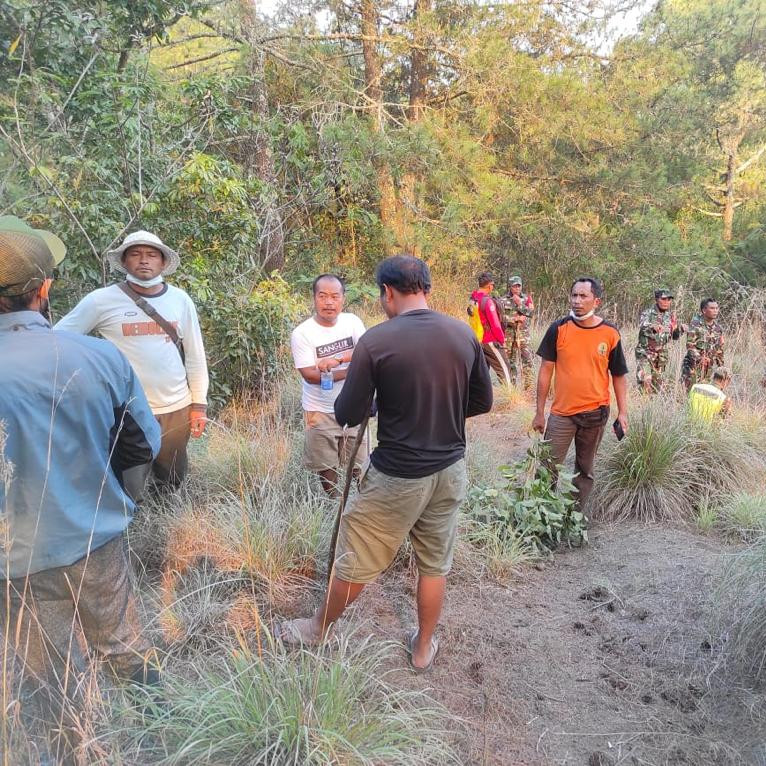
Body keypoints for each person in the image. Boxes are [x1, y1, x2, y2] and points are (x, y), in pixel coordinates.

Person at [278, 255, 493, 672]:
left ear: (387, 293)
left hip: (397, 473)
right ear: (426, 290)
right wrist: (435, 410)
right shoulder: (462, 334)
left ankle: (318, 629)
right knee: (434, 563)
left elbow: (346, 412)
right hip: (450, 469)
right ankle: (423, 646)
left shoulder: (376, 341)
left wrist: (386, 404)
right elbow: (483, 401)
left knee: (358, 554)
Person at [0, 217, 162, 762]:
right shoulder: (99, 357)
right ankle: (159, 733)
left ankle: (66, 750)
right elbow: (143, 445)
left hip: (13, 562)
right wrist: (110, 499)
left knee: (42, 673)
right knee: (123, 645)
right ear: (43, 290)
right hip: (96, 540)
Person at [56, 230, 209, 498]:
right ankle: (132, 533)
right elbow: (58, 340)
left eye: (151, 255)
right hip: (127, 410)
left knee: (171, 480)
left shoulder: (180, 300)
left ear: (163, 263)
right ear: (124, 262)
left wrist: (198, 405)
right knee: (130, 485)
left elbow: (196, 356)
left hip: (176, 407)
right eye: (135, 254)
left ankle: (167, 530)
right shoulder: (101, 300)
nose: (144, 260)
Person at [532, 277, 629, 508]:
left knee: (585, 470)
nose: (577, 301)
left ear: (596, 300)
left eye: (583, 296)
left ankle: (573, 518)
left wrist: (623, 412)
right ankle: (541, 518)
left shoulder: (610, 333)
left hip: (596, 414)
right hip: (562, 415)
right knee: (547, 468)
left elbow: (618, 375)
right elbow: (545, 371)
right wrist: (539, 412)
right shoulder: (559, 328)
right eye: (574, 295)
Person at [290, 274, 367, 496]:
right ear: (314, 299)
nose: (329, 302)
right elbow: (310, 375)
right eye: (322, 296)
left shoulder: (352, 322)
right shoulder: (302, 333)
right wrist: (352, 370)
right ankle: (334, 502)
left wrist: (338, 361)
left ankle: (357, 501)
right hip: (320, 410)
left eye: (335, 296)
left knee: (360, 461)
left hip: (354, 404)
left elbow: (366, 352)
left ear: (343, 298)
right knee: (325, 462)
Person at [635, 288, 684, 393]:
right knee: (646, 380)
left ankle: (651, 407)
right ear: (657, 299)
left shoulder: (670, 317)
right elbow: (642, 324)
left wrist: (681, 330)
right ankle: (642, 404)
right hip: (645, 354)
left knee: (658, 388)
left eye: (669, 299)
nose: (667, 302)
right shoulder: (648, 313)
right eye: (664, 299)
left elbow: (674, 336)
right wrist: (653, 326)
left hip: (661, 357)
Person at [470, 271, 512, 385]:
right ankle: (510, 398)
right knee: (504, 369)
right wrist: (502, 340)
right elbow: (495, 324)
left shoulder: (473, 299)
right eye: (492, 285)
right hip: (490, 340)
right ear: (489, 286)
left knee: (482, 373)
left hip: (476, 340)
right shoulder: (487, 302)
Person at [681, 298, 724, 392]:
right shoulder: (695, 324)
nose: (715, 311)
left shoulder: (718, 328)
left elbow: (719, 349)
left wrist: (722, 367)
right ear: (704, 310)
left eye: (717, 308)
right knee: (690, 395)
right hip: (693, 368)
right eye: (712, 308)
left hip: (708, 369)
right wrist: (700, 358)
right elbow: (690, 346)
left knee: (703, 396)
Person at [500, 275, 535, 391]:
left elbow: (531, 313)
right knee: (510, 361)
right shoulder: (503, 300)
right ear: (510, 287)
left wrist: (520, 304)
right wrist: (513, 319)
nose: (517, 288)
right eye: (515, 286)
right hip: (509, 335)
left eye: (519, 286)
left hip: (523, 335)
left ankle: (528, 388)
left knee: (527, 359)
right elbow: (500, 318)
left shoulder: (526, 299)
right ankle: (511, 389)